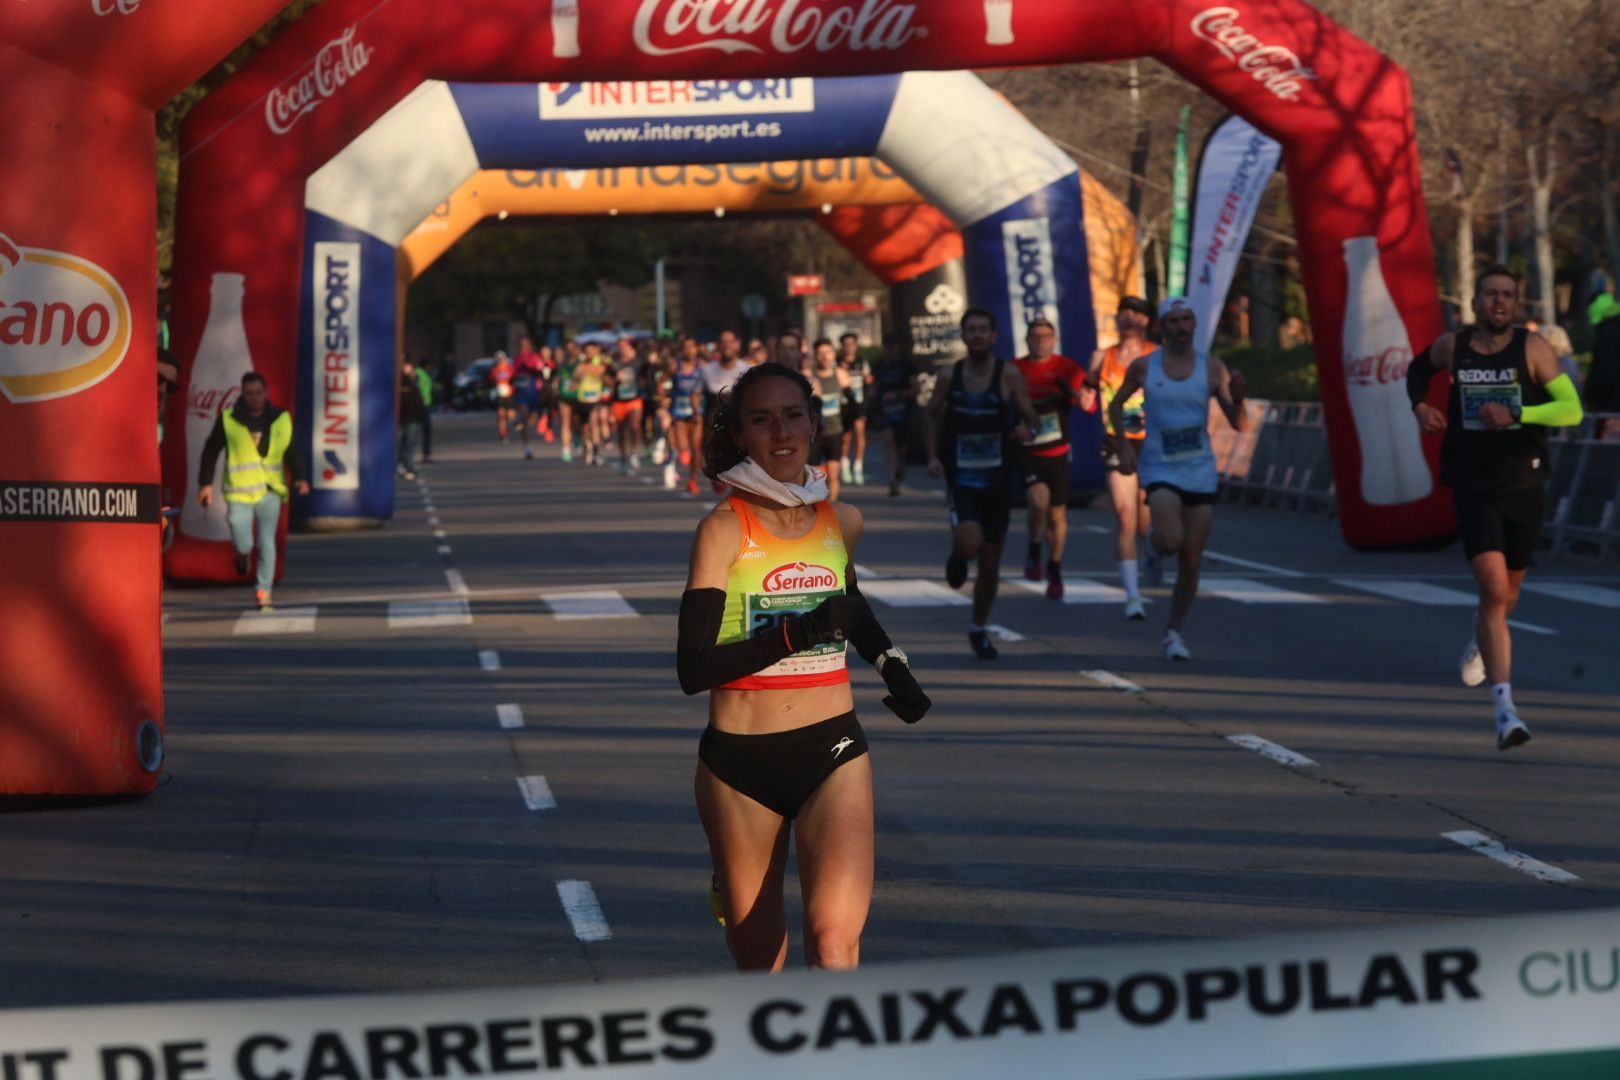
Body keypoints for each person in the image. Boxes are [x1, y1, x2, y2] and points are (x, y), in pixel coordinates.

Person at [676, 362, 930, 972]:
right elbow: (694, 667)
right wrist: (799, 631)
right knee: (760, 962)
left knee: (833, 943)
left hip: (832, 749)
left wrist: (891, 663)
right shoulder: (720, 530)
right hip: (741, 765)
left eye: (792, 416)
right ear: (740, 435)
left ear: (814, 425)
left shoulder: (840, 521)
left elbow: (850, 605)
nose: (780, 432)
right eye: (761, 420)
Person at [1407, 264, 1584, 750]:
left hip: (1524, 483)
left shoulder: (1532, 349)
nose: (1500, 302)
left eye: (1508, 295)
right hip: (1473, 484)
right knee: (1490, 589)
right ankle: (1505, 711)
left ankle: (1482, 640)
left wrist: (1518, 413)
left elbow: (1571, 410)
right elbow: (1416, 371)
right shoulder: (1454, 348)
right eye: (1491, 294)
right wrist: (1420, 407)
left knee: (1507, 595)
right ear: (1476, 302)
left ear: (1517, 303)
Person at [1110, 297, 1246, 661]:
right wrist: (1122, 447)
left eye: (1187, 320)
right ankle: (1154, 548)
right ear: (1162, 327)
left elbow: (1239, 423)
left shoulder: (1213, 368)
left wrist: (1241, 397)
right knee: (1171, 539)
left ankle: (1173, 632)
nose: (1181, 327)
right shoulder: (1143, 367)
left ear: (1195, 325)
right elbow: (1115, 403)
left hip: (1199, 469)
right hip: (1160, 467)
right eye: (1174, 321)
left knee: (1190, 559)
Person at [922, 308, 1039, 660]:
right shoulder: (949, 375)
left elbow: (1032, 418)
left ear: (993, 336)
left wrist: (1026, 430)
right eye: (970, 330)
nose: (976, 335)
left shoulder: (1009, 375)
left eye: (982, 329)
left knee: (991, 561)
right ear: (962, 336)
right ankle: (960, 553)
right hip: (962, 479)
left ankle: (978, 627)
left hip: (998, 481)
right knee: (971, 543)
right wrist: (932, 456)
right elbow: (928, 414)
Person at [196, 372, 310, 611]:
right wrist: (205, 484)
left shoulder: (281, 419)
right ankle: (242, 554)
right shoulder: (229, 419)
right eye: (249, 394)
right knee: (243, 540)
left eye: (258, 393)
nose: (254, 398)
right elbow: (210, 450)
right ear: (242, 394)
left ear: (266, 393)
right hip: (239, 492)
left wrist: (300, 478)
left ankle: (263, 591)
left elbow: (293, 451)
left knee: (267, 542)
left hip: (270, 490)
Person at [1084, 297, 1156, 619]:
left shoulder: (1157, 355)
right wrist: (1084, 397)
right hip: (1117, 441)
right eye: (1123, 315)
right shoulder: (1103, 357)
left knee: (1145, 519)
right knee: (1125, 516)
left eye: (1135, 315)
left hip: (1152, 442)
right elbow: (1087, 392)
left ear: (1145, 322)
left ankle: (1152, 549)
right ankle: (1133, 596)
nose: (1128, 320)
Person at [1013, 317, 1088, 601]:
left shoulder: (1065, 367)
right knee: (1038, 503)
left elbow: (1084, 394)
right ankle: (1034, 547)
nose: (1041, 341)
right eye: (1035, 336)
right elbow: (1004, 406)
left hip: (1058, 452)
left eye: (1046, 336)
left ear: (1054, 340)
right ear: (1028, 339)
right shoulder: (1016, 369)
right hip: (1029, 451)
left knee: (1057, 513)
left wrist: (1083, 398)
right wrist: (1014, 429)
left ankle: (1054, 567)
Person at [869, 333, 915, 497]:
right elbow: (873, 385)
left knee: (901, 447)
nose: (890, 351)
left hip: (902, 409)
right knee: (888, 442)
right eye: (887, 348)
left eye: (892, 348)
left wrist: (898, 394)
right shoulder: (879, 365)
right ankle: (892, 479)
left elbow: (914, 388)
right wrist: (872, 391)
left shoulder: (906, 365)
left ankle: (900, 469)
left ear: (898, 348)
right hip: (884, 410)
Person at [807, 338, 850, 501]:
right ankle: (819, 511)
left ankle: (832, 510)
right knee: (816, 479)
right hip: (816, 434)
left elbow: (852, 406)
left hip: (835, 432)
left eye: (828, 352)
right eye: (820, 353)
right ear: (815, 356)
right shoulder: (810, 378)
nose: (824, 356)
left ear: (834, 353)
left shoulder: (841, 375)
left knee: (833, 475)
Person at [667, 335, 706, 494]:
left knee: (697, 447)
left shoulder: (702, 366)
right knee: (683, 447)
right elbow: (662, 382)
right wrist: (662, 395)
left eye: (692, 346)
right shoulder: (674, 366)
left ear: (697, 349)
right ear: (681, 350)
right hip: (679, 410)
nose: (689, 350)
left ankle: (692, 479)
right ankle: (682, 457)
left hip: (697, 412)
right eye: (686, 347)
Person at [837, 332, 871, 485]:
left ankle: (858, 467)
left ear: (856, 346)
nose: (849, 347)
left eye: (852, 344)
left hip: (859, 403)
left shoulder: (862, 362)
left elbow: (868, 378)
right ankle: (844, 463)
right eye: (846, 344)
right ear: (842, 346)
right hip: (843, 403)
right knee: (845, 437)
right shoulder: (837, 362)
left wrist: (869, 381)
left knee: (860, 432)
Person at [610, 336, 646, 472]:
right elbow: (607, 381)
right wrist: (615, 379)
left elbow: (648, 368)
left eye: (625, 347)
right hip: (619, 402)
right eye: (620, 347)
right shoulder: (614, 364)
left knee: (635, 426)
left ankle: (634, 454)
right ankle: (623, 457)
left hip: (634, 399)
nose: (622, 349)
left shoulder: (638, 362)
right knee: (622, 432)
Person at [512, 336, 546, 460]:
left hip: (533, 392)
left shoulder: (535, 357)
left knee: (531, 420)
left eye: (525, 343)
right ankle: (528, 448)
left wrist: (532, 371)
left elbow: (542, 373)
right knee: (523, 417)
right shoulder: (515, 359)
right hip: (521, 393)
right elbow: (511, 376)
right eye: (521, 344)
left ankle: (522, 422)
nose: (523, 346)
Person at [414, 358, 436, 464]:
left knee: (426, 430)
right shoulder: (418, 373)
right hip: (421, 405)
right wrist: (420, 397)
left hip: (425, 405)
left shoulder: (423, 374)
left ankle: (426, 454)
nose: (430, 368)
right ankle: (424, 455)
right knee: (423, 429)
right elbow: (416, 386)